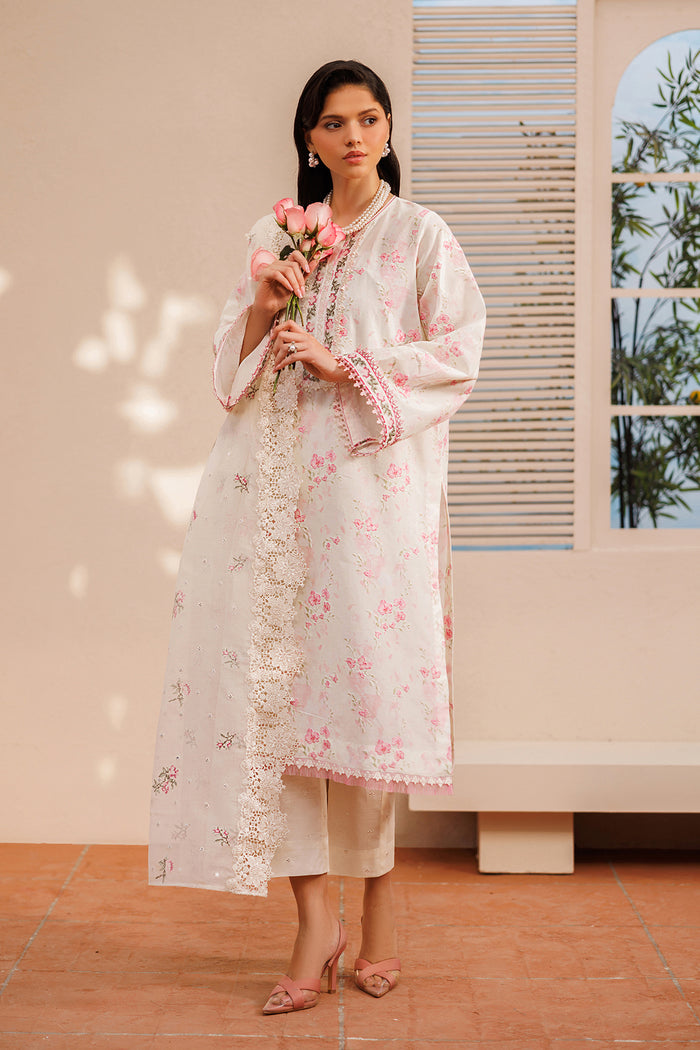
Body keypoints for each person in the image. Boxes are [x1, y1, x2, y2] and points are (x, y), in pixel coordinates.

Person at [149, 59, 485, 1015]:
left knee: (363, 708)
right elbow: (229, 377)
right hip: (272, 504)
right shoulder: (277, 235)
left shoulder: (420, 236)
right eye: (334, 123)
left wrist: (350, 365)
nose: (353, 137)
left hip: (373, 509)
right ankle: (312, 923)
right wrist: (265, 307)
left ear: (388, 129)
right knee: (282, 712)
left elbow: (458, 351)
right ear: (309, 139)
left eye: (368, 119)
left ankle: (378, 918)